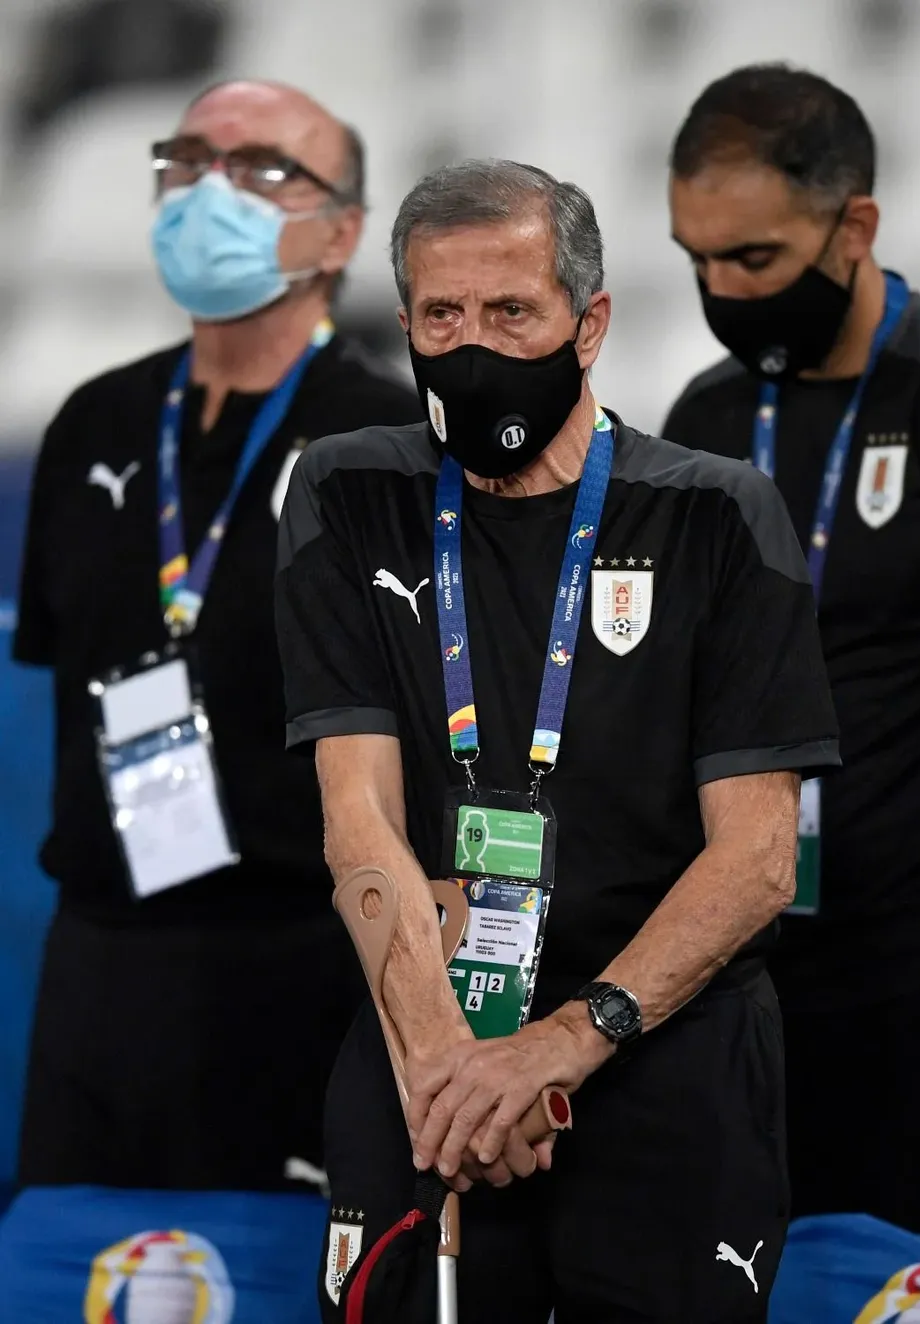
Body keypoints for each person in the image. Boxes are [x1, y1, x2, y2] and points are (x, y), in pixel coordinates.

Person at [275, 158, 839, 1322]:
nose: (470, 342)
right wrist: (454, 1075)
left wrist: (557, 1050)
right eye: (441, 313)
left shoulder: (717, 512)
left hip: (659, 1049)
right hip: (422, 1037)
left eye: (509, 311)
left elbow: (758, 861)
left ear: (588, 326)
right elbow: (358, 818)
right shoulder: (347, 490)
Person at [12, 79, 422, 1191]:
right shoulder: (93, 420)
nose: (209, 190)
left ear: (339, 230)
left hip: (299, 957)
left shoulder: (385, 439)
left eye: (260, 168)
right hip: (101, 954)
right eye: (187, 159)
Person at [663, 64, 920, 1235]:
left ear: (853, 224)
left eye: (750, 260)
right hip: (754, 975)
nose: (720, 290)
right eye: (694, 260)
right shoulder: (704, 421)